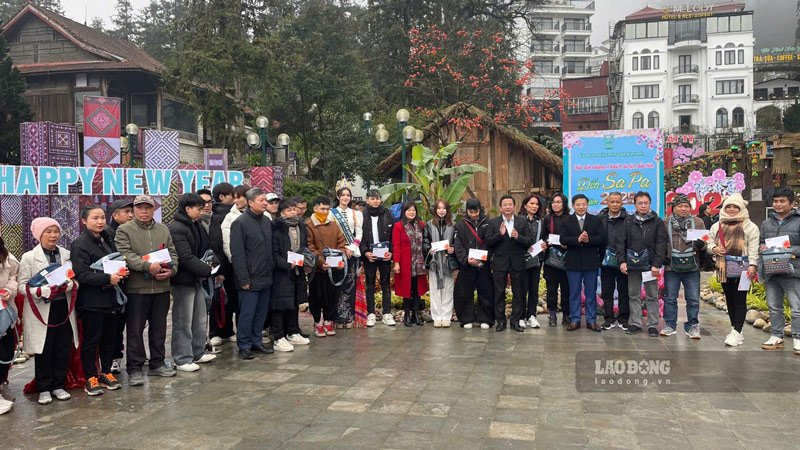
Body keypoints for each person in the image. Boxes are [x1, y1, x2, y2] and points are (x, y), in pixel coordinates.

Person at [115, 195, 179, 385]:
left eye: (148, 208)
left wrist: (171, 270)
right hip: (136, 288)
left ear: (153, 210)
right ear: (134, 210)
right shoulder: (124, 230)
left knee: (159, 329)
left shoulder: (162, 229)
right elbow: (124, 254)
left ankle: (157, 363)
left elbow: (172, 252)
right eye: (139, 208)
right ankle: (134, 367)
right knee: (135, 330)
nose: (144, 212)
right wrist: (146, 266)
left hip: (161, 287)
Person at [18, 217, 79, 405]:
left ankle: (58, 384)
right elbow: (22, 286)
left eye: (56, 231)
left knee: (62, 346)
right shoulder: (29, 257)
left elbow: (74, 279)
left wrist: (69, 286)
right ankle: (44, 387)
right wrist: (42, 291)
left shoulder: (67, 254)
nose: (53, 236)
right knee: (44, 348)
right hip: (42, 309)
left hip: (63, 307)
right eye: (48, 232)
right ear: (39, 235)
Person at [70, 205, 124, 396]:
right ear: (84, 221)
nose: (100, 221)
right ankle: (90, 377)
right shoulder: (80, 244)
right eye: (95, 218)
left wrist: (121, 271)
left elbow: (115, 261)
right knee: (92, 341)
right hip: (92, 301)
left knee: (109, 339)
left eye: (102, 217)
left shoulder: (107, 238)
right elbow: (82, 274)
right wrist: (107, 278)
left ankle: (106, 372)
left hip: (111, 299)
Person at [169, 193, 216, 371]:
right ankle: (181, 358)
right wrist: (207, 270)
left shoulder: (197, 224)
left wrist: (213, 261)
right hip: (183, 280)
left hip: (196, 278)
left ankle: (198, 352)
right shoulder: (177, 228)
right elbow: (185, 257)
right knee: (183, 320)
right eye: (198, 207)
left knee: (199, 318)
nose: (202, 209)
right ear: (187, 209)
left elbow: (206, 248)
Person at [707, 194, 759, 347]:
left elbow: (754, 248)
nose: (731, 209)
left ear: (741, 208)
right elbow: (709, 243)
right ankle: (736, 330)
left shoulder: (750, 226)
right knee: (729, 298)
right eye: (728, 206)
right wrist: (714, 249)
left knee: (740, 298)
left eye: (735, 207)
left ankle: (736, 331)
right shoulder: (717, 225)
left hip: (744, 269)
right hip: (724, 268)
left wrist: (753, 265)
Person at [230, 188, 276, 359]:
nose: (265, 203)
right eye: (261, 200)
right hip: (249, 278)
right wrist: (243, 278)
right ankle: (244, 345)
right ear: (250, 203)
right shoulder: (240, 223)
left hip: (266, 275)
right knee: (247, 314)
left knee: (261, 313)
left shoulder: (266, 221)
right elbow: (237, 254)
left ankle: (256, 342)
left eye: (266, 200)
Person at [618, 191, 667, 337]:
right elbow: (621, 242)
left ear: (650, 204)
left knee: (652, 295)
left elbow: (661, 242)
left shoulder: (657, 221)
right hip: (632, 265)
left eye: (646, 203)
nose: (643, 206)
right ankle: (636, 324)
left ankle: (652, 325)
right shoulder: (628, 221)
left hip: (650, 266)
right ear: (635, 205)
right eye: (640, 203)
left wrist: (657, 264)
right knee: (633, 295)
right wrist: (622, 261)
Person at [760, 187, 800, 353]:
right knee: (774, 306)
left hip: (793, 271)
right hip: (771, 270)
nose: (778, 204)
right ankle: (777, 336)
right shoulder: (767, 223)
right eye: (775, 201)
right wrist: (762, 248)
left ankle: (798, 337)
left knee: (796, 307)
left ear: (792, 203)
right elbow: (761, 243)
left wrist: (788, 250)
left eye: (782, 201)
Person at [485, 196, 533, 333]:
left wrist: (519, 237)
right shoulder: (493, 223)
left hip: (517, 262)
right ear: (500, 208)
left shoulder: (522, 222)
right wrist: (499, 235)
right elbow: (488, 242)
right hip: (500, 262)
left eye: (510, 204)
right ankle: (500, 321)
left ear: (514, 207)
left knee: (518, 293)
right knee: (499, 293)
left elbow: (529, 241)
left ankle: (515, 321)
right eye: (504, 205)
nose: (507, 207)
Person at [662, 193, 706, 339]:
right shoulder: (665, 222)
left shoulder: (698, 222)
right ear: (673, 208)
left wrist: (702, 245)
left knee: (693, 298)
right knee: (670, 297)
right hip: (671, 266)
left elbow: (705, 243)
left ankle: (692, 326)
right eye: (680, 206)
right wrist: (663, 257)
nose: (683, 209)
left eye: (686, 206)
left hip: (692, 266)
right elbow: (661, 242)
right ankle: (670, 325)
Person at [270, 200, 312, 352]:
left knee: (295, 302)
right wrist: (286, 264)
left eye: (294, 209)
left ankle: (293, 332)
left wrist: (306, 261)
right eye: (289, 210)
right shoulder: (276, 228)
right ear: (281, 213)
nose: (293, 212)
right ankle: (278, 337)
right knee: (280, 305)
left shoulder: (301, 226)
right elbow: (273, 253)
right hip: (281, 272)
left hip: (298, 270)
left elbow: (304, 247)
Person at [560, 194, 606, 332]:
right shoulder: (566, 221)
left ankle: (592, 321)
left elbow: (602, 239)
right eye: (578, 204)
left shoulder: (595, 220)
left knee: (591, 292)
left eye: (584, 204)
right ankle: (575, 320)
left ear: (587, 205)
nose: (581, 207)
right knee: (574, 292)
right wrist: (577, 240)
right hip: (573, 263)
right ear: (573, 206)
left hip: (591, 262)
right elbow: (563, 239)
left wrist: (588, 240)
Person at [306, 196, 347, 337]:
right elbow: (310, 247)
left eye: (327, 209)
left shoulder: (334, 225)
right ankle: (318, 322)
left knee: (332, 296)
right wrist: (321, 262)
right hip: (318, 270)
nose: (325, 212)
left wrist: (340, 257)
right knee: (317, 297)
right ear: (315, 208)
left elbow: (341, 243)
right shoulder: (309, 225)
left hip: (334, 268)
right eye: (322, 209)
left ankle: (328, 321)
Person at [452, 198, 494, 330]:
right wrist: (465, 259)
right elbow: (457, 245)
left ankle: (485, 318)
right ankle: (466, 318)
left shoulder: (487, 222)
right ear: (467, 211)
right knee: (465, 292)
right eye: (471, 212)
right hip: (467, 264)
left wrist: (484, 258)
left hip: (483, 263)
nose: (474, 215)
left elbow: (490, 242)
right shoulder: (460, 224)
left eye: (476, 211)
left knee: (486, 291)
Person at [104, 198, 133, 374]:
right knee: (113, 327)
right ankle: (113, 358)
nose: (131, 215)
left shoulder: (133, 231)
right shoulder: (108, 234)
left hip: (129, 284)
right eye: (126, 212)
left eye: (131, 212)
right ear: (115, 216)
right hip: (113, 286)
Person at [360, 189, 395, 326]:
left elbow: (392, 235)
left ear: (380, 200)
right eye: (372, 199)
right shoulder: (362, 215)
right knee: (370, 284)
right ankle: (371, 313)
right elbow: (359, 236)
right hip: (370, 255)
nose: (375, 201)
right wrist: (365, 252)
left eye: (377, 198)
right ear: (367, 200)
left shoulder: (387, 214)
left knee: (386, 284)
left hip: (385, 255)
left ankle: (387, 313)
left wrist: (391, 252)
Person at [208, 182, 237, 346]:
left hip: (233, 264)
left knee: (230, 299)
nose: (235, 198)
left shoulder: (233, 215)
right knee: (218, 299)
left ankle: (228, 330)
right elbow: (216, 244)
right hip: (221, 264)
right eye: (232, 195)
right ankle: (215, 331)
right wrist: (219, 268)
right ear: (221, 197)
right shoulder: (218, 217)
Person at [330, 187, 363, 328]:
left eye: (347, 195)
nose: (345, 197)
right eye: (342, 195)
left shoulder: (356, 214)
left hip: (352, 253)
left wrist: (351, 248)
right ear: (338, 197)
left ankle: (348, 317)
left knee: (350, 285)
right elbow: (331, 234)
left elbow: (359, 233)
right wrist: (342, 249)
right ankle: (337, 317)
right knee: (337, 284)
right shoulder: (331, 214)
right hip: (337, 253)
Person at [597, 192, 629, 330]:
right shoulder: (600, 219)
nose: (615, 205)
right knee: (607, 291)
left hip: (624, 262)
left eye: (617, 202)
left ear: (622, 204)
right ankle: (608, 318)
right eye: (612, 202)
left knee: (624, 291)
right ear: (607, 203)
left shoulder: (629, 219)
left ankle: (623, 319)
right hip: (606, 262)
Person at [393, 201, 429, 327]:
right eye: (408, 210)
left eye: (413, 210)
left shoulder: (421, 225)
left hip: (419, 262)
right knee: (406, 289)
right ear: (404, 212)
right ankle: (407, 314)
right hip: (405, 262)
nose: (411, 212)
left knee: (417, 289)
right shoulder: (399, 226)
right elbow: (396, 245)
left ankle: (416, 314)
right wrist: (396, 263)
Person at [423, 199, 456, 328]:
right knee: (435, 289)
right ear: (435, 210)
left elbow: (457, 241)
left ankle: (446, 316)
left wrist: (453, 248)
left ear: (447, 210)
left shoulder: (453, 225)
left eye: (444, 208)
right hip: (435, 262)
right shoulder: (429, 225)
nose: (441, 211)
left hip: (448, 262)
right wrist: (428, 250)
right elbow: (425, 240)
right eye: (439, 208)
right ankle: (437, 317)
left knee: (448, 289)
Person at [542, 194, 571, 327]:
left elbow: (575, 236)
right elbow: (541, 237)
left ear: (564, 204)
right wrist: (546, 243)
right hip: (551, 259)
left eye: (558, 202)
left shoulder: (571, 219)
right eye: (553, 202)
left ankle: (566, 315)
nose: (556, 205)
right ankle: (552, 315)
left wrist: (568, 243)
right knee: (551, 288)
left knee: (567, 288)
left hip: (568, 259)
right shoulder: (547, 219)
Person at [519, 194, 546, 329]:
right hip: (521, 258)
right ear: (525, 205)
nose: (534, 206)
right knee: (522, 288)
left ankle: (532, 315)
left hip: (536, 258)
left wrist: (545, 244)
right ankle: (521, 316)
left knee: (533, 288)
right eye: (532, 204)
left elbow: (545, 237)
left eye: (537, 204)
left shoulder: (541, 221)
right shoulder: (518, 220)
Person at [0, 234, 19, 414]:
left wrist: (8, 290)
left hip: (4, 313)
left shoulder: (8, 259)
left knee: (6, 353)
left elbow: (14, 278)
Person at [222, 184, 251, 264]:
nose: (235, 201)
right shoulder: (229, 217)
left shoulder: (264, 215)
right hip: (240, 262)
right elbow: (226, 241)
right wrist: (235, 260)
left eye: (238, 197)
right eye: (234, 198)